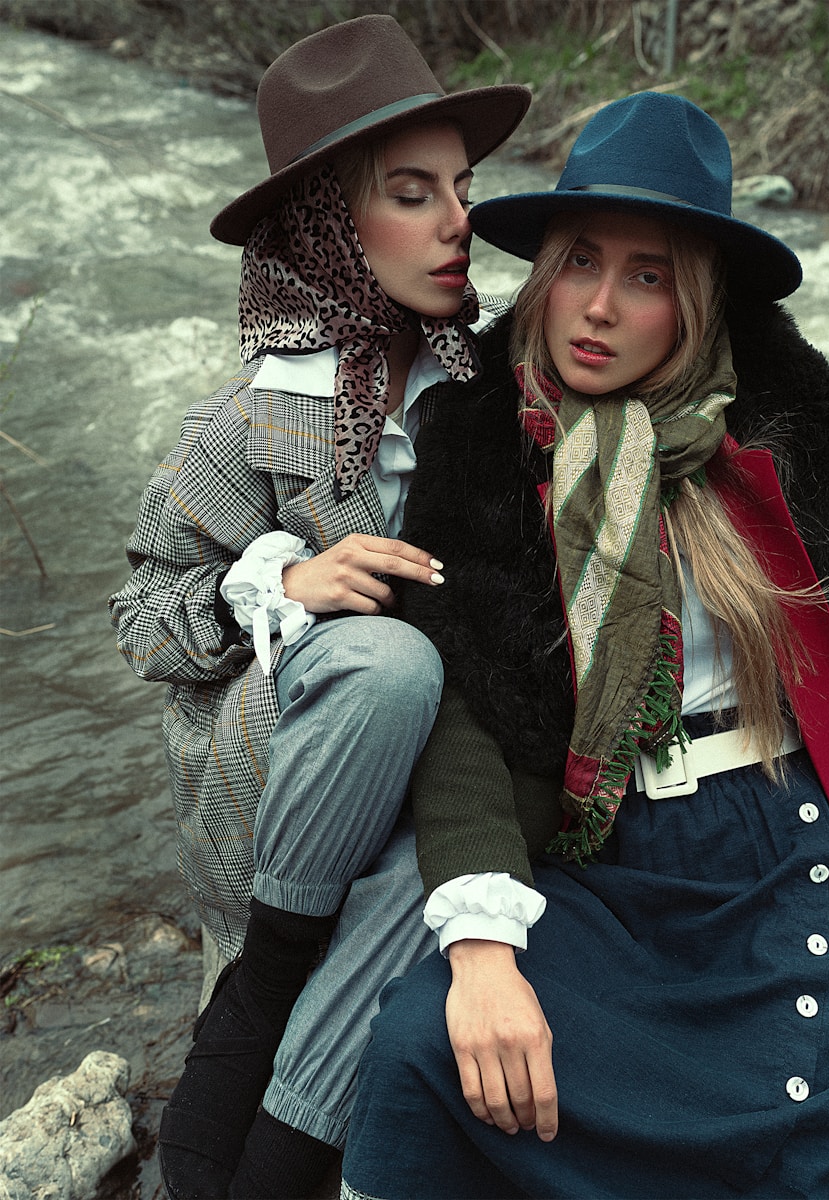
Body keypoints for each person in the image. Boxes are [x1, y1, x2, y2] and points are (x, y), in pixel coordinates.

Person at [338, 92, 829, 1199]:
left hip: (763, 843)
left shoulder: (776, 429)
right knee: (426, 1049)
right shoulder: (483, 435)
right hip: (600, 850)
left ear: (695, 303)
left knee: (780, 1138)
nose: (598, 307)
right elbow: (467, 695)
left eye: (647, 275)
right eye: (581, 261)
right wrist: (480, 948)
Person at [108, 15, 530, 1200]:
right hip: (281, 781)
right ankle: (258, 985)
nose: (459, 222)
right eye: (412, 193)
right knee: (388, 663)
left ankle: (280, 1154)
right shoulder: (241, 421)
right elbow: (140, 619)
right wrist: (282, 588)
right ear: (327, 226)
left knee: (440, 868)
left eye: (462, 188)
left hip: (426, 772)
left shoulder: (492, 389)